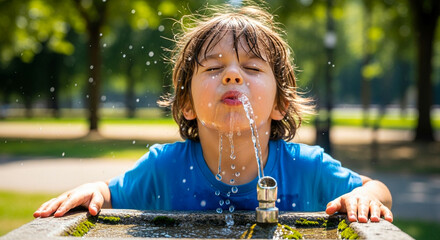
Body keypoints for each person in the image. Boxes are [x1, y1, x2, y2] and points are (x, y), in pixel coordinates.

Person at [34, 3, 393, 223]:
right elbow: (111, 195)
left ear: (281, 102)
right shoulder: (165, 166)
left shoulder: (307, 166)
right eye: (212, 68)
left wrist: (366, 198)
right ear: (187, 103)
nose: (232, 74)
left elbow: (379, 190)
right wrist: (94, 190)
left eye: (252, 69)